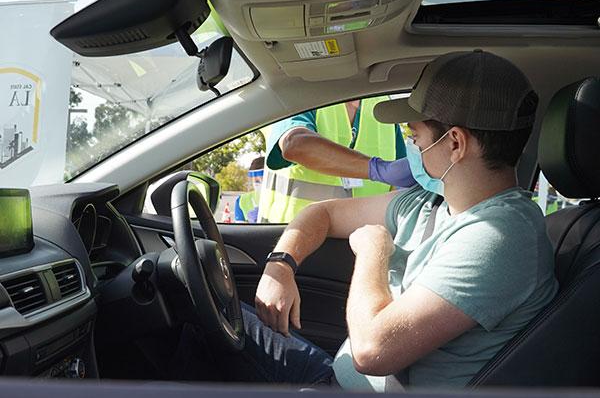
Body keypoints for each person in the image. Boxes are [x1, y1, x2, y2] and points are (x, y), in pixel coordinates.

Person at [231, 50, 558, 390]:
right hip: (335, 380)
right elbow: (323, 213)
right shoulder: (430, 204)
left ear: (456, 143)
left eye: (414, 134)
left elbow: (373, 351)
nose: (410, 142)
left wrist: (374, 251)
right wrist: (281, 265)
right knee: (212, 319)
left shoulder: (500, 235)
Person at [257, 95, 416, 223]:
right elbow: (294, 144)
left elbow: (398, 187)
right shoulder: (300, 97)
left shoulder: (382, 107)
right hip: (293, 239)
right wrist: (377, 169)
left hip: (359, 242)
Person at [234, 156, 264, 223]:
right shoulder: (241, 200)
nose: (259, 184)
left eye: (263, 180)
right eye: (256, 181)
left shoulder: (281, 199)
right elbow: (239, 230)